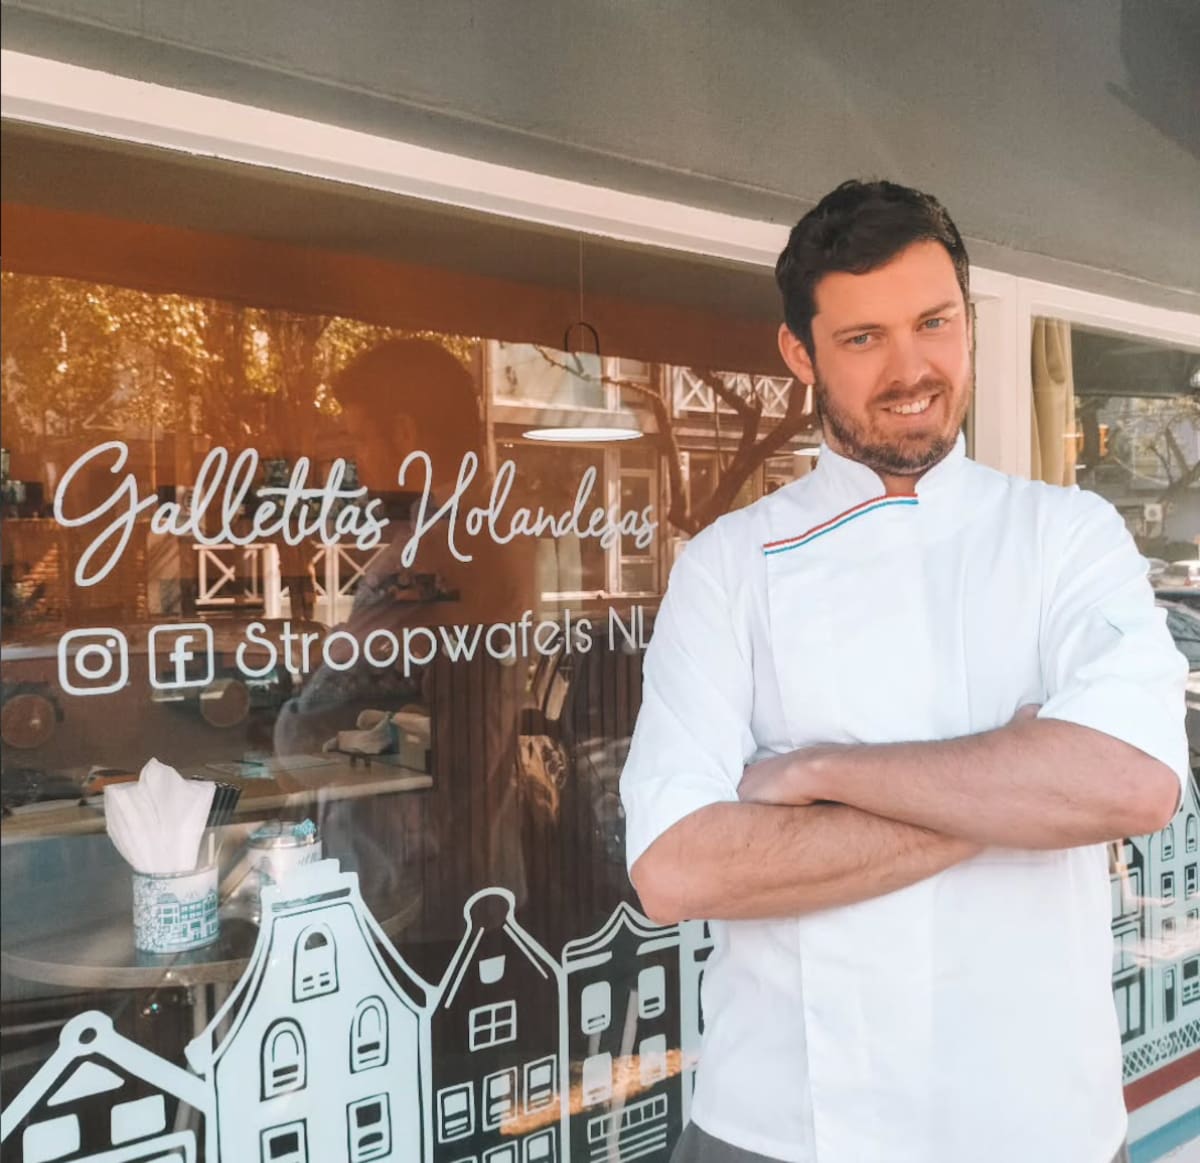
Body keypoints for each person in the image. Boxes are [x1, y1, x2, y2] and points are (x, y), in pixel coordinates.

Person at [620, 180, 1187, 1163]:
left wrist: (823, 771)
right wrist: (1017, 785)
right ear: (800, 353)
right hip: (781, 1126)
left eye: (935, 322)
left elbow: (1131, 782)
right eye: (863, 337)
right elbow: (677, 866)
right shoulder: (728, 565)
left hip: (1038, 1120)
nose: (912, 368)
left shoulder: (1065, 534)